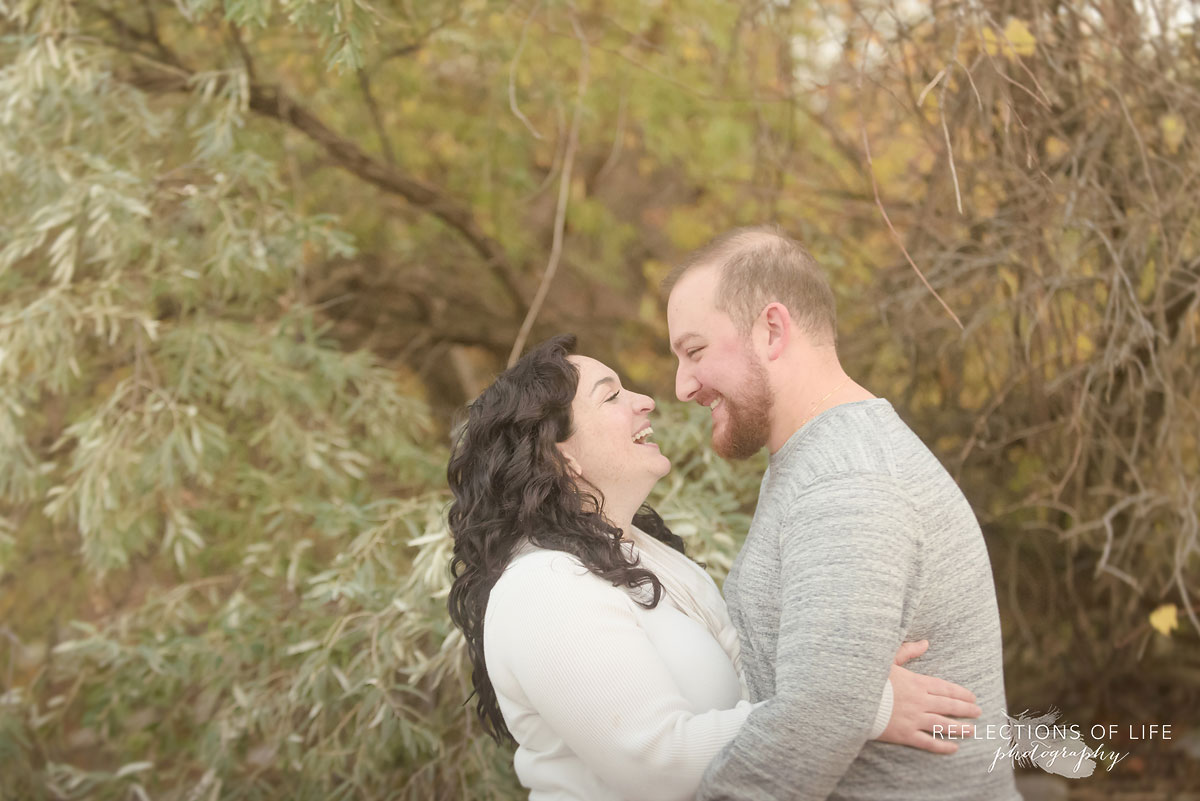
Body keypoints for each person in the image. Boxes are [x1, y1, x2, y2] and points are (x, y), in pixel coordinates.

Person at [446, 334, 984, 801]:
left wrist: (841, 676)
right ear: (561, 456)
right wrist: (854, 706)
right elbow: (661, 767)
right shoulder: (544, 588)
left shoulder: (647, 556)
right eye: (611, 396)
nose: (646, 401)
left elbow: (755, 688)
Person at [663, 226, 1022, 800]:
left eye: (695, 351)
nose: (682, 385)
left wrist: (836, 697)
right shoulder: (819, 460)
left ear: (772, 330)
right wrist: (843, 692)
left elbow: (813, 723)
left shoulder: (847, 481)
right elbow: (824, 697)